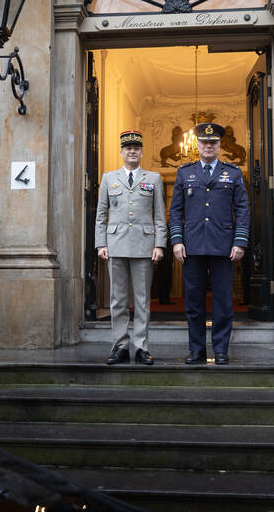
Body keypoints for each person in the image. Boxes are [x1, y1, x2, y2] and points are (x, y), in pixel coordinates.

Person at [169, 122, 249, 365]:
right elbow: (176, 211)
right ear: (198, 144)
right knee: (193, 301)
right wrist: (177, 241)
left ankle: (221, 350)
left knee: (223, 301)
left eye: (213, 142)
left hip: (224, 246)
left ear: (219, 145)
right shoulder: (185, 172)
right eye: (204, 142)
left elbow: (243, 209)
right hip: (192, 246)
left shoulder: (233, 173)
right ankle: (196, 350)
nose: (208, 146)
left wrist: (240, 242)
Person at [96, 130, 167, 365]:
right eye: (128, 148)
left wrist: (159, 244)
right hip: (115, 245)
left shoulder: (154, 178)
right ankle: (120, 347)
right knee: (117, 299)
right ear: (121, 152)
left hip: (144, 246)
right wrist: (100, 243)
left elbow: (159, 216)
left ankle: (141, 348)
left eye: (136, 148)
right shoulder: (109, 178)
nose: (132, 151)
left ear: (142, 152)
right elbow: (100, 216)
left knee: (142, 300)